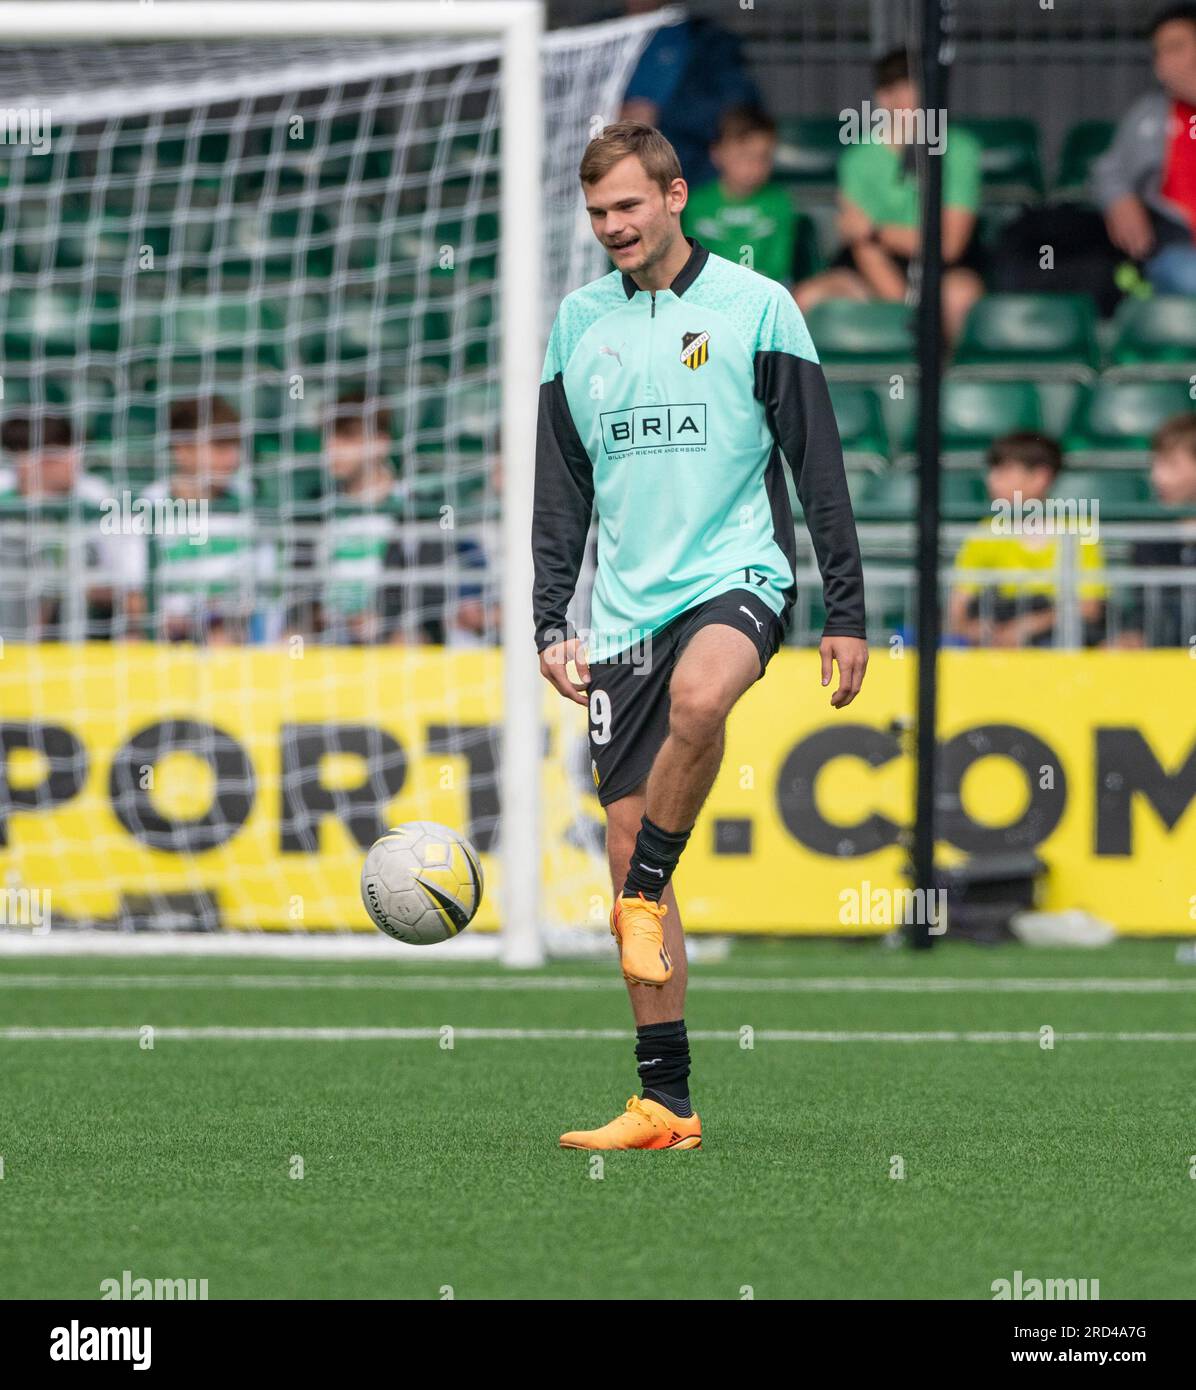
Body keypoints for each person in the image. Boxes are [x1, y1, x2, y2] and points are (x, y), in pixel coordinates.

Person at [533, 122, 867, 1151]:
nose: (612, 227)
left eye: (628, 206)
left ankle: (635, 895)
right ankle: (664, 1101)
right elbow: (561, 484)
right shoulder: (577, 321)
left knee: (702, 697)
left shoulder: (756, 307)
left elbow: (816, 463)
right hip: (621, 609)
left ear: (676, 196)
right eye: (596, 214)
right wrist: (552, 615)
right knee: (634, 841)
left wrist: (845, 609)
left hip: (737, 573)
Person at [794, 49, 984, 346]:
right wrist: (907, 311)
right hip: (872, 269)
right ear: (884, 98)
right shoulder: (857, 159)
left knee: (959, 297)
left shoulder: (960, 149)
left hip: (941, 270)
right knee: (807, 297)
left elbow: (947, 246)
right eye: (904, 93)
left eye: (922, 92)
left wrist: (877, 231)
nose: (915, 105)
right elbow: (860, 242)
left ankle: (947, 388)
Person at [946, 433, 1107, 648]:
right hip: (1000, 639)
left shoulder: (1078, 528)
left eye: (1003, 471)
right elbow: (956, 610)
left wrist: (1026, 626)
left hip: (1055, 641)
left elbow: (1089, 606)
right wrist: (974, 629)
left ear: (1040, 477)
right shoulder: (985, 532)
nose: (991, 480)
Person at [0, 413, 145, 639]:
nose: (72, 462)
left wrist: (67, 583)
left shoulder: (98, 497)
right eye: (54, 456)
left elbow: (132, 584)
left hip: (85, 615)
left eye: (73, 452)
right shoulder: (4, 493)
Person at [145, 396, 268, 644]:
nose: (232, 458)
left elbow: (263, 588)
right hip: (163, 631)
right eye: (220, 447)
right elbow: (132, 594)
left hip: (230, 629)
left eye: (235, 447)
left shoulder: (248, 501)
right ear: (183, 449)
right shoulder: (149, 503)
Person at [1092, 4, 1196, 295]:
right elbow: (1108, 169)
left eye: (1176, 48)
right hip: (1177, 253)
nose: (1164, 63)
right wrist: (1119, 198)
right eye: (1159, 53)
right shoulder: (1149, 113)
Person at [619, 0, 761, 189]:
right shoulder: (595, 34)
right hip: (614, 167)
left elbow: (739, 109)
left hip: (689, 174)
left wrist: (660, 113)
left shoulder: (708, 39)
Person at [682, 105, 797, 288]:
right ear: (717, 154)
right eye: (743, 156)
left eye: (763, 157)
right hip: (708, 293)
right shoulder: (697, 203)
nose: (754, 166)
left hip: (766, 290)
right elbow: (689, 263)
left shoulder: (779, 202)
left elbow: (779, 266)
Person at [1115, 413, 1196, 646]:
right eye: (1156, 463)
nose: (1156, 476)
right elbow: (1147, 616)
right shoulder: (1149, 537)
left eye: (1171, 464)